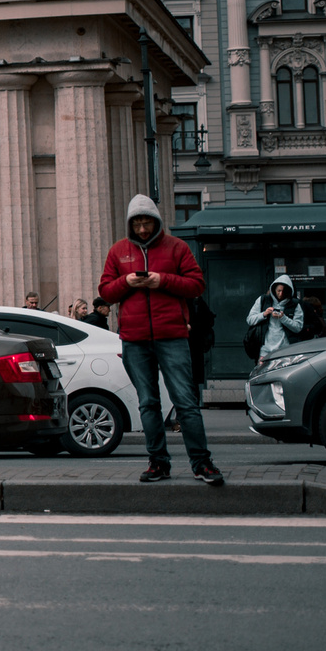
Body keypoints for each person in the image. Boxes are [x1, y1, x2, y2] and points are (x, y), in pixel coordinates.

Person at [99, 193, 222, 487]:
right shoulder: (118, 251)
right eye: (138, 224)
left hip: (172, 336)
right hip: (134, 339)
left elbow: (197, 285)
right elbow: (105, 292)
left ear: (157, 222)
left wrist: (161, 280)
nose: (143, 230)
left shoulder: (176, 248)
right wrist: (127, 283)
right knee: (148, 404)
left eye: (147, 223)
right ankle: (158, 463)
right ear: (131, 224)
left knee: (186, 403)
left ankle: (201, 463)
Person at [246, 278, 304, 365]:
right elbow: (250, 320)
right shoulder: (263, 300)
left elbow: (298, 327)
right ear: (274, 290)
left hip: (285, 350)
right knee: (262, 375)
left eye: (283, 292)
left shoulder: (295, 304)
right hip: (265, 349)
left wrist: (283, 318)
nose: (280, 294)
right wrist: (264, 314)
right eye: (279, 291)